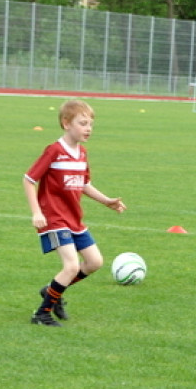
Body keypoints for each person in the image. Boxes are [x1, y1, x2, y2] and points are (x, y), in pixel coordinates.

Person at [23, 100, 125, 327]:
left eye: (91, 124)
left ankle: (53, 292)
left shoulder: (82, 154)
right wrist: (36, 212)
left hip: (73, 219)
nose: (88, 128)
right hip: (54, 218)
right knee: (70, 266)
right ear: (66, 123)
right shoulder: (54, 151)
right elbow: (29, 180)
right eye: (83, 123)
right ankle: (41, 314)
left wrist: (106, 201)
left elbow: (84, 184)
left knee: (95, 262)